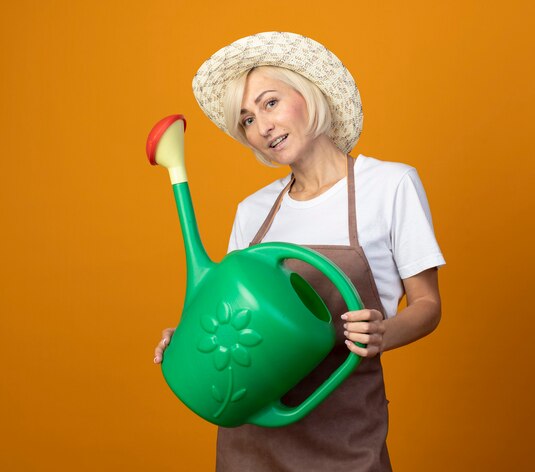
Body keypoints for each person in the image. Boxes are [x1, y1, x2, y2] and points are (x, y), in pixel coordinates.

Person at [153, 31, 445, 471]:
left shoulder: (389, 186)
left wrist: (384, 334)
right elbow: (230, 314)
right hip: (251, 439)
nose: (262, 126)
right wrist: (197, 338)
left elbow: (427, 305)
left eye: (270, 103)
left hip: (344, 433)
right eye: (247, 119)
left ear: (310, 94)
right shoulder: (252, 211)